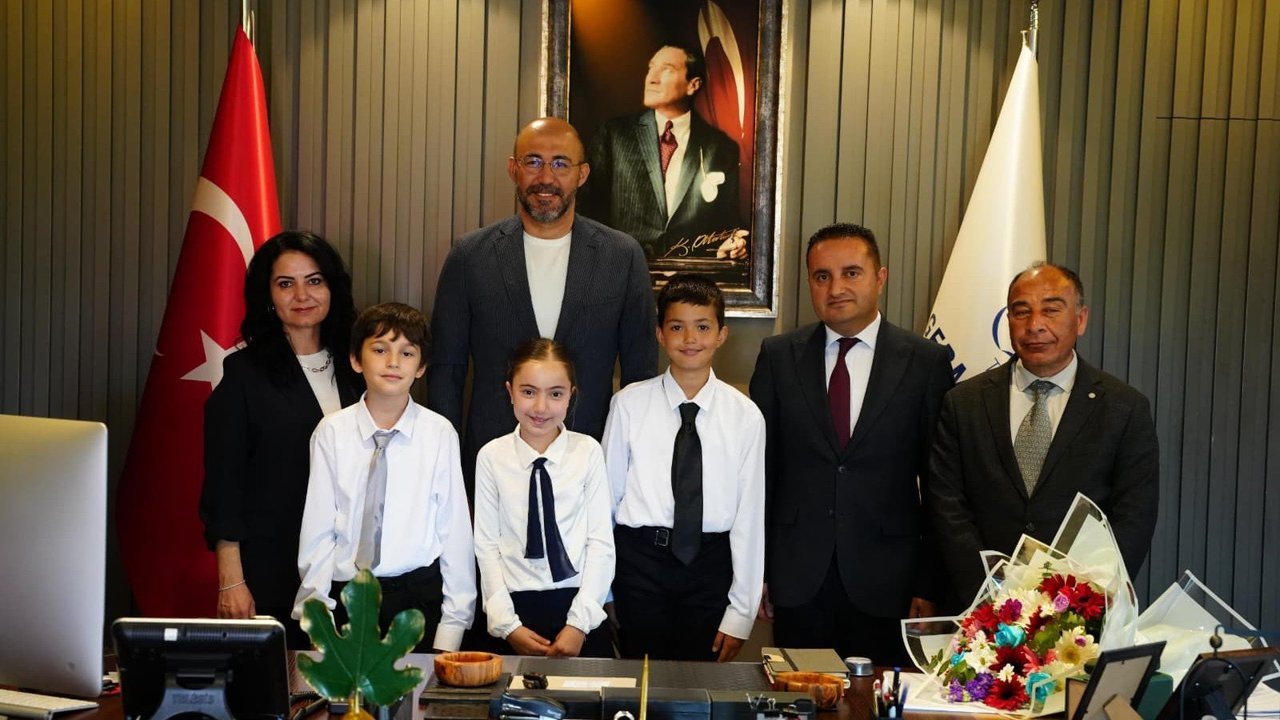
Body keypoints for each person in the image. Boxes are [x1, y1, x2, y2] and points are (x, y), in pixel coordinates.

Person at [749, 223, 953, 665]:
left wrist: (929, 582)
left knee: (876, 698)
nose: (836, 288)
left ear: (880, 278)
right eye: (822, 276)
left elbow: (941, 485)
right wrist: (757, 571)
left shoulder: (925, 362)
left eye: (851, 273)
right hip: (798, 578)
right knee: (799, 696)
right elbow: (761, 474)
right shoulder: (778, 357)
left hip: (890, 581)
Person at [428, 117, 657, 489]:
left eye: (561, 163)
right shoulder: (470, 256)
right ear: (513, 169)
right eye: (533, 161)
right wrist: (448, 473)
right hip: (492, 464)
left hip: (590, 462)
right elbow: (446, 370)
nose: (546, 177)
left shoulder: (622, 256)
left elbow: (640, 374)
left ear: (582, 174)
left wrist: (632, 471)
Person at [927, 262, 1159, 609]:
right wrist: (989, 594)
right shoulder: (963, 403)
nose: (1035, 325)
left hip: (1077, 614)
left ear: (1080, 319)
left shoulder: (1124, 408)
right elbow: (947, 505)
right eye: (1021, 312)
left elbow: (1133, 516)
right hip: (978, 607)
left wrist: (1081, 601)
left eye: (1051, 310)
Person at [200, 230, 363, 648]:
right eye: (286, 283)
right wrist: (230, 580)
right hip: (274, 572)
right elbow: (224, 485)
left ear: (332, 288)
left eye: (314, 280)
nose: (302, 295)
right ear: (268, 296)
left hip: (355, 577)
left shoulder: (362, 366)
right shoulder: (244, 375)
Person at [293, 302, 476, 652]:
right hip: (346, 597)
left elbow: (454, 533)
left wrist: (452, 627)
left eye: (407, 353)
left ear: (421, 367)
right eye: (380, 350)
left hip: (416, 600)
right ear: (355, 359)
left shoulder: (439, 434)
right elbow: (318, 531)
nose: (393, 362)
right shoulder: (332, 432)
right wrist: (317, 619)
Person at [603, 274, 765, 662]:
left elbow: (749, 517)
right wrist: (602, 592)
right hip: (640, 564)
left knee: (700, 680)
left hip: (710, 568)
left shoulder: (745, 417)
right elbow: (605, 501)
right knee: (640, 676)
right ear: (660, 334)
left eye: (703, 327)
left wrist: (741, 613)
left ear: (722, 334)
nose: (690, 338)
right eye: (677, 327)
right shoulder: (628, 405)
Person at [473, 338, 615, 658]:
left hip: (578, 604)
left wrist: (579, 624)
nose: (540, 407)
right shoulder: (492, 457)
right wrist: (508, 625)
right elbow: (486, 545)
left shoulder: (587, 451)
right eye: (528, 392)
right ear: (510, 391)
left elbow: (601, 544)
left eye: (555, 394)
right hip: (513, 607)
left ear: (570, 395)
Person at [580, 44, 747, 263]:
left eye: (666, 69)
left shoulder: (721, 147)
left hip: (689, 276)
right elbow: (586, 212)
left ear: (693, 85)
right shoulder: (613, 135)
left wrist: (728, 246)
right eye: (651, 68)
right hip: (622, 270)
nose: (651, 78)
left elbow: (726, 224)